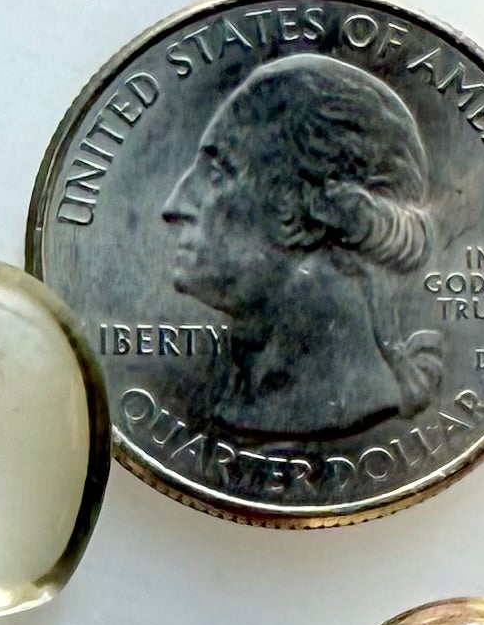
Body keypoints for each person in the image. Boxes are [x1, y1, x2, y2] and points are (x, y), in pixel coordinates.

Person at [160, 54, 447, 436]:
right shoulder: (244, 395)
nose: (174, 206)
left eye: (217, 173)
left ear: (308, 208)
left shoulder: (340, 402)